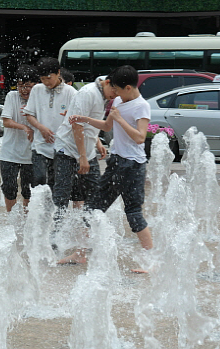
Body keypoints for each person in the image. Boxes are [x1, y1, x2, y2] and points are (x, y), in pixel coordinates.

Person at [65, 65, 153, 271]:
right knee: (92, 208)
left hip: (133, 166)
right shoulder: (120, 101)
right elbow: (106, 126)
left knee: (133, 212)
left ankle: (151, 262)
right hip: (116, 163)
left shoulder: (142, 106)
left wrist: (120, 119)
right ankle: (80, 254)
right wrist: (85, 119)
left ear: (129, 87)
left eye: (117, 89)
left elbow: (140, 137)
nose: (114, 93)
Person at [52, 75, 116, 250]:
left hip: (86, 151)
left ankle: (87, 238)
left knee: (95, 194)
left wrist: (97, 142)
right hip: (67, 149)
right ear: (107, 83)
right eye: (114, 91)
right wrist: (82, 157)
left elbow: (89, 122)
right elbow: (77, 124)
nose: (115, 96)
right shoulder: (88, 93)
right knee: (62, 196)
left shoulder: (103, 93)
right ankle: (54, 239)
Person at [23, 57, 77, 194]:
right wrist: (41, 128)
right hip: (40, 144)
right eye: (42, 79)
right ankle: (37, 212)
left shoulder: (71, 92)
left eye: (49, 78)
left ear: (58, 73)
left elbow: (77, 120)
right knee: (39, 179)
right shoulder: (37, 90)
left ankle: (51, 213)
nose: (46, 82)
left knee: (56, 183)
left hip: (61, 147)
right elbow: (29, 114)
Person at [0, 65, 39, 212]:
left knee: (29, 189)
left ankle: (27, 217)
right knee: (9, 187)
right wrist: (25, 127)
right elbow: (6, 121)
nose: (24, 90)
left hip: (32, 153)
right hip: (10, 152)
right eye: (20, 86)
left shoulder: (41, 99)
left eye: (28, 86)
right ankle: (12, 217)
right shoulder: (12, 96)